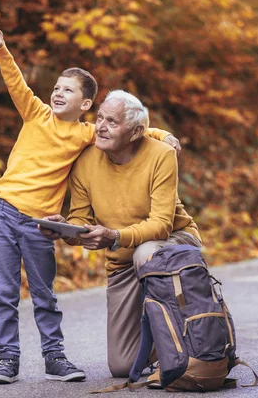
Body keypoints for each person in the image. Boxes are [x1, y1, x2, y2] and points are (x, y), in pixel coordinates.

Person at [0, 23, 180, 384]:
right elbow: (16, 83)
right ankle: (7, 359)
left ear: (86, 104)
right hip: (4, 212)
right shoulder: (35, 114)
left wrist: (161, 134)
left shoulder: (88, 133)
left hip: (42, 222)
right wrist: (1, 49)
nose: (58, 93)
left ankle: (54, 357)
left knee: (45, 294)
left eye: (68, 90)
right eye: (56, 87)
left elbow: (129, 127)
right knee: (5, 293)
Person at [40, 90, 202, 377]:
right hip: (122, 262)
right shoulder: (85, 161)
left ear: (136, 132)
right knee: (122, 366)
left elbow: (162, 224)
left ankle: (192, 336)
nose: (100, 126)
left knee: (146, 252)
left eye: (112, 122)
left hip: (174, 245)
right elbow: (82, 220)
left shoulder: (162, 154)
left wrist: (114, 236)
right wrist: (65, 230)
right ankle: (163, 339)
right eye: (99, 117)